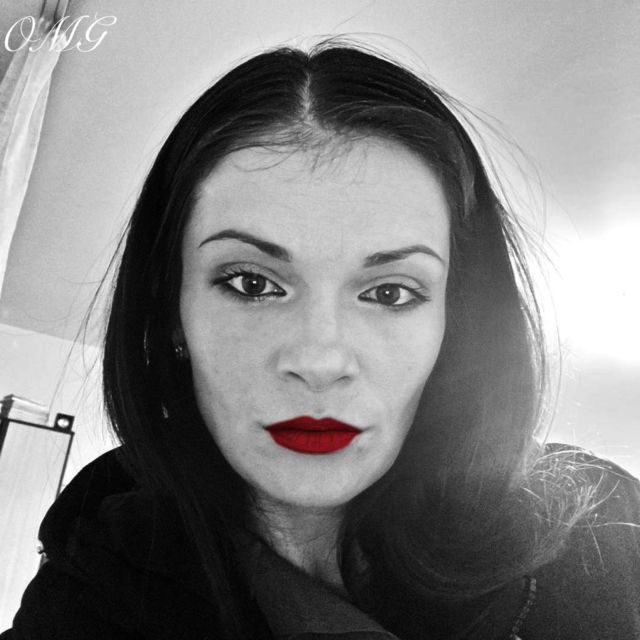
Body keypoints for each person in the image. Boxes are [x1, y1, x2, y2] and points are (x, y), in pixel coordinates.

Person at [2, 40, 639, 640]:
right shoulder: (85, 590)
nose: (319, 361)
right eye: (252, 283)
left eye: (390, 293)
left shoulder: (607, 536)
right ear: (171, 309)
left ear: (455, 321)